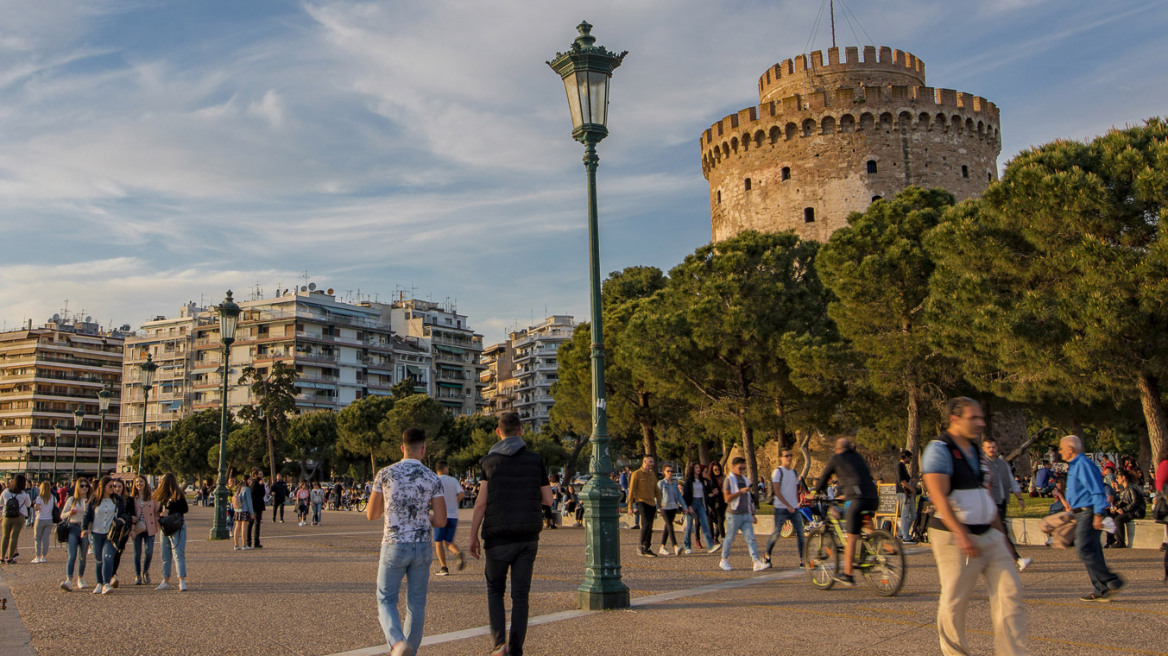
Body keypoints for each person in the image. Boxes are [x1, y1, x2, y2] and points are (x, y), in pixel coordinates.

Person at [922, 398, 1028, 656]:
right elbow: (938, 495)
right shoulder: (939, 449)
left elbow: (985, 494)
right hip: (953, 535)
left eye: (981, 417)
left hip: (988, 533)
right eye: (974, 418)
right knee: (955, 600)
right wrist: (961, 534)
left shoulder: (975, 451)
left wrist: (1001, 536)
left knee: (1010, 595)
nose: (981, 423)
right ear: (955, 419)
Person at [469, 412, 552, 656]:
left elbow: (481, 503)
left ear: (498, 432)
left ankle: (498, 645)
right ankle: (516, 649)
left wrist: (473, 535)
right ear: (521, 432)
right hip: (527, 537)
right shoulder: (535, 460)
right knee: (520, 595)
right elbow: (548, 499)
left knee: (495, 591)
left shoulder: (489, 462)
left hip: (497, 537)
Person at [366, 427, 445, 656]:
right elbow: (439, 519)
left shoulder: (385, 474)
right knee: (416, 604)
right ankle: (409, 651)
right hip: (421, 544)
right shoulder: (432, 477)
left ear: (402, 448)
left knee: (386, 598)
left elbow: (372, 514)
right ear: (423, 449)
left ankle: (398, 642)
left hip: (394, 543)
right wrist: (422, 516)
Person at [1060, 434, 1125, 601]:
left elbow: (1096, 490)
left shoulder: (1082, 464)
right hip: (1081, 511)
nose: (1060, 452)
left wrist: (1098, 514)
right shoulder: (1075, 465)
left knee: (1084, 549)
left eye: (1061, 448)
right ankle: (1102, 589)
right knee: (1093, 550)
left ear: (1070, 449)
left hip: (1088, 511)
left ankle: (1112, 580)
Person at [813, 438, 878, 587]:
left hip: (857, 499)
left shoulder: (837, 458)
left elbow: (824, 478)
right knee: (866, 525)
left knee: (851, 537)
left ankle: (848, 574)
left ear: (837, 449)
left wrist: (815, 492)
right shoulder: (858, 457)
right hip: (873, 497)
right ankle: (881, 548)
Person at [983, 437, 1031, 571]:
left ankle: (990, 560)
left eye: (993, 447)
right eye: (989, 447)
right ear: (984, 449)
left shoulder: (1003, 464)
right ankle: (1017, 559)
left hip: (1001, 501)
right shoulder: (983, 465)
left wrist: (1020, 498)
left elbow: (1011, 481)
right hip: (989, 503)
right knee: (1001, 531)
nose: (992, 450)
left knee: (997, 532)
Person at [82, 476, 132, 595]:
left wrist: (123, 519)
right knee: (99, 560)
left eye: (114, 486)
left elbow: (125, 513)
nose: (113, 488)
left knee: (108, 557)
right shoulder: (94, 500)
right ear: (103, 487)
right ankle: (99, 583)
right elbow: (87, 515)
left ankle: (106, 583)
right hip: (97, 533)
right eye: (111, 486)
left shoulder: (117, 500)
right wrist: (84, 528)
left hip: (112, 534)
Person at [718, 457, 768, 572]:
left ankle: (756, 562)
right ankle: (723, 559)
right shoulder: (729, 480)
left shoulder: (745, 480)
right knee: (730, 538)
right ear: (734, 467)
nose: (742, 470)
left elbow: (748, 498)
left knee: (751, 538)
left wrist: (752, 513)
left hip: (745, 514)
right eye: (740, 468)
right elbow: (727, 498)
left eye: (743, 468)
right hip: (733, 514)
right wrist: (740, 492)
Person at [764, 449, 804, 567]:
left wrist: (798, 502)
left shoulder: (794, 473)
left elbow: (797, 490)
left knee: (801, 533)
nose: (789, 458)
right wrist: (787, 505)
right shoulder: (778, 472)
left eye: (790, 455)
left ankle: (803, 559)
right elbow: (776, 491)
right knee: (777, 533)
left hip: (794, 508)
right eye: (786, 456)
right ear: (780, 458)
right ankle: (767, 555)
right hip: (781, 508)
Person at [154, 472, 190, 591]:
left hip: (175, 526)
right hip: (166, 526)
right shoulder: (163, 496)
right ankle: (168, 579)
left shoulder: (177, 496)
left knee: (176, 554)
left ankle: (180, 580)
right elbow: (158, 511)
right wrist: (161, 513)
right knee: (168, 554)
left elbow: (184, 509)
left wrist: (170, 510)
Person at [433, 460, 465, 576]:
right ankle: (457, 552)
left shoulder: (435, 481)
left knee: (438, 542)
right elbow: (461, 494)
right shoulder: (453, 480)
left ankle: (444, 567)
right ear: (445, 468)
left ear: (437, 469)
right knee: (448, 541)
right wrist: (454, 503)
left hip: (441, 515)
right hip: (453, 515)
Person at [60, 477, 92, 591]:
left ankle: (80, 578)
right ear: (77, 487)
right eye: (81, 486)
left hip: (84, 529)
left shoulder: (90, 500)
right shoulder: (72, 500)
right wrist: (69, 512)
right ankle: (69, 579)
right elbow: (62, 515)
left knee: (83, 556)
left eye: (86, 486)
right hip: (73, 527)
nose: (84, 488)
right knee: (72, 555)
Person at [627, 455, 660, 557]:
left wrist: (660, 504)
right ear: (644, 462)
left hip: (651, 503)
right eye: (650, 462)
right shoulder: (636, 474)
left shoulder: (652, 475)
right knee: (645, 524)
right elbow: (631, 490)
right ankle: (641, 547)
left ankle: (647, 547)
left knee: (650, 526)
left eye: (653, 462)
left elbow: (656, 490)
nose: (652, 464)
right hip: (641, 502)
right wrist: (630, 507)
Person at [129, 475, 159, 585]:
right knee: (137, 552)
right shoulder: (132, 498)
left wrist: (157, 522)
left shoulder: (152, 497)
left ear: (145, 483)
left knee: (149, 550)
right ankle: (137, 574)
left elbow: (156, 511)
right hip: (137, 527)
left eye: (141, 481)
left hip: (149, 527)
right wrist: (132, 528)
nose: (139, 484)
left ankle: (146, 571)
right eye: (136, 482)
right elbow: (130, 513)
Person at [682, 462, 717, 554]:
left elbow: (704, 494)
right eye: (696, 468)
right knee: (689, 526)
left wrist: (707, 505)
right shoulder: (689, 481)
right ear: (692, 469)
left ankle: (710, 546)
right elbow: (686, 494)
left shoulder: (701, 480)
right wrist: (688, 506)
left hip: (700, 503)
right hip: (692, 503)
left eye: (699, 468)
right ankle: (687, 546)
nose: (698, 469)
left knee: (705, 525)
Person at [657, 464, 687, 556]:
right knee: (670, 526)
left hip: (673, 507)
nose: (670, 473)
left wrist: (684, 507)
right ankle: (675, 546)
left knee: (667, 526)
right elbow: (657, 496)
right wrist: (656, 508)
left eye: (671, 471)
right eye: (668, 471)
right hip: (664, 507)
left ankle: (662, 547)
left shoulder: (674, 483)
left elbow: (679, 496)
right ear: (664, 473)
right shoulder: (661, 483)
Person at [1, 473, 31, 563]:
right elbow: (28, 504)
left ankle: (1, 557)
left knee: (5, 536)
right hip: (19, 516)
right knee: (14, 537)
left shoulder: (6, 491)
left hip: (7, 516)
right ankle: (10, 558)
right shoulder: (24, 494)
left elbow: (1, 502)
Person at [896, 450, 917, 544]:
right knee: (905, 514)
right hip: (903, 493)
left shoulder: (904, 467)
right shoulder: (899, 466)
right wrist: (911, 489)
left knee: (913, 515)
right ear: (906, 457)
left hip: (908, 493)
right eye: (909, 457)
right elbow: (902, 481)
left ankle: (901, 532)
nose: (910, 459)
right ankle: (905, 536)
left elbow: (908, 479)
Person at [31, 481, 56, 564]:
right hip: (49, 519)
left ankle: (37, 556)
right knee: (46, 538)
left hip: (40, 518)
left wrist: (35, 505)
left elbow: (37, 508)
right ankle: (43, 556)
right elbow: (55, 506)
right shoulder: (52, 497)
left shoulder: (39, 497)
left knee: (37, 538)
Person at [706, 462, 727, 545]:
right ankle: (723, 538)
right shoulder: (710, 479)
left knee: (721, 520)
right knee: (720, 520)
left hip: (724, 501)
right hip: (715, 502)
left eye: (718, 469)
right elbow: (708, 490)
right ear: (712, 470)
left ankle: (716, 537)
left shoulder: (724, 478)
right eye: (715, 469)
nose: (717, 471)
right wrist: (712, 492)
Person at [232, 476, 253, 551]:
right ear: (246, 480)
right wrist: (252, 513)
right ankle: (244, 545)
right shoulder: (247, 489)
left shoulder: (238, 488)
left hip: (237, 510)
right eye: (250, 479)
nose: (251, 481)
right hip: (244, 509)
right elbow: (249, 502)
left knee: (237, 526)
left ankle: (236, 544)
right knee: (244, 527)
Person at [249, 470, 265, 549]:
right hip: (257, 506)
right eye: (260, 474)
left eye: (261, 474)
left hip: (254, 505)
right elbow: (261, 494)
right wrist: (262, 485)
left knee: (252, 524)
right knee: (255, 524)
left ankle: (249, 542)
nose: (261, 476)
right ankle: (255, 542)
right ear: (255, 475)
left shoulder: (253, 483)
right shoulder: (256, 483)